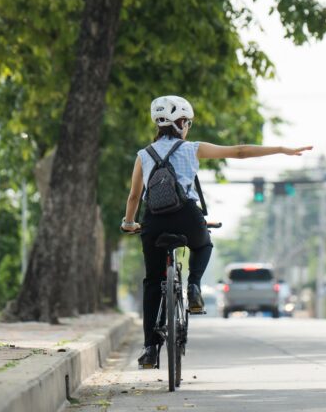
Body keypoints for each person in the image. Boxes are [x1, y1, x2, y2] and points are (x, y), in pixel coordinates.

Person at [121, 95, 311, 368]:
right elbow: (239, 151)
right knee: (203, 245)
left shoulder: (143, 156)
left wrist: (129, 223)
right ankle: (194, 285)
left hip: (154, 221)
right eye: (188, 122)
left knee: (153, 282)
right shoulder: (193, 149)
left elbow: (134, 197)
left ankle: (150, 348)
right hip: (188, 216)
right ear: (182, 123)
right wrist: (281, 149)